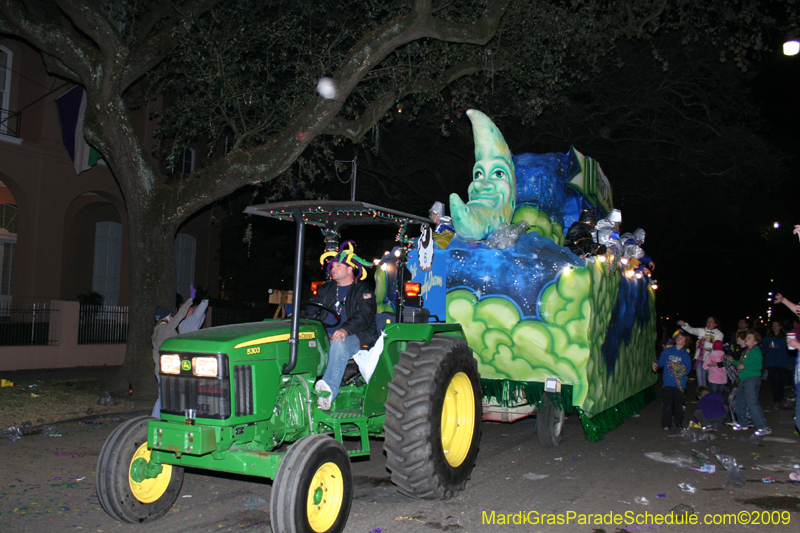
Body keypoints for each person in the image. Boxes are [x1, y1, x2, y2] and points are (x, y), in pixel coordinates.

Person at [305, 241, 379, 410]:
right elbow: (312, 307)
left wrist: (345, 329)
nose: (333, 269)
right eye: (333, 266)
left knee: (339, 342)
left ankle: (328, 391)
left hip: (358, 335)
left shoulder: (363, 290)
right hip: (326, 334)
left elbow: (365, 316)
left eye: (338, 266)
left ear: (350, 269)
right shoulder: (326, 289)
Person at [151, 290, 194, 418]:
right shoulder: (166, 329)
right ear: (166, 317)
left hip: (160, 369)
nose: (171, 318)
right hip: (168, 370)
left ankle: (160, 418)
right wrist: (190, 299)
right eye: (170, 316)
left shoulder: (156, 330)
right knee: (167, 397)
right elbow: (180, 316)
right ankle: (155, 419)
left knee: (163, 396)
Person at [732, 330, 771, 436]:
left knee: (752, 402)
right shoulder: (746, 351)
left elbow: (759, 366)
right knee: (739, 401)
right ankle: (742, 423)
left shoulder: (756, 351)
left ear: (755, 341)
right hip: (744, 379)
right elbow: (740, 364)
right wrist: (732, 361)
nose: (746, 339)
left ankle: (763, 426)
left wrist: (745, 366)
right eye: (746, 337)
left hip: (752, 379)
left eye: (749, 337)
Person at [652, 330, 692, 430]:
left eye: (682, 338)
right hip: (669, 382)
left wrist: (678, 368)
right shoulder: (668, 351)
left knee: (678, 405)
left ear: (685, 342)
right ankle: (666, 424)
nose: (679, 338)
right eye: (678, 336)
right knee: (667, 404)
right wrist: (655, 363)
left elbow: (687, 369)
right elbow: (661, 361)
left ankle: (678, 422)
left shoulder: (685, 354)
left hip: (679, 383)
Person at [678, 316, 723, 387]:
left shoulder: (719, 334)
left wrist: (704, 343)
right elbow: (691, 330)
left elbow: (716, 346)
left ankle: (712, 397)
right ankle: (703, 397)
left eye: (711, 321)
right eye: (708, 321)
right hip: (701, 360)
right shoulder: (702, 331)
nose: (708, 322)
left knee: (712, 382)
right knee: (701, 383)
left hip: (712, 361)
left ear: (715, 324)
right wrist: (684, 325)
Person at [761, 320, 791, 406]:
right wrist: (768, 347)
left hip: (782, 362)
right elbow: (762, 350)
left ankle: (780, 397)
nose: (774, 327)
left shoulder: (784, 337)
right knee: (773, 380)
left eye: (776, 325)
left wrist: (790, 362)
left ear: (780, 327)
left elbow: (789, 351)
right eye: (773, 325)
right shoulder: (767, 337)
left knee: (781, 380)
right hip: (771, 363)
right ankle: (775, 398)